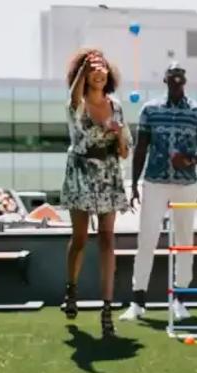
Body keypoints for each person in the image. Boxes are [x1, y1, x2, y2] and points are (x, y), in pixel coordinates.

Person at [121, 62, 197, 320]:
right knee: (147, 239)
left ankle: (180, 299)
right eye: (172, 77)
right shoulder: (150, 110)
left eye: (180, 78)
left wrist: (190, 160)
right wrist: (134, 184)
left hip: (186, 184)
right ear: (165, 80)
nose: (176, 82)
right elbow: (141, 148)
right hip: (155, 182)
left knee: (184, 241)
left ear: (185, 81)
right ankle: (138, 301)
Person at [60, 48, 132, 337]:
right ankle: (71, 290)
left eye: (102, 66)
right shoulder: (77, 103)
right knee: (80, 239)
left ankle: (107, 309)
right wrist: (83, 69)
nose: (98, 71)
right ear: (83, 74)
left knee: (107, 239)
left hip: (108, 174)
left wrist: (118, 135)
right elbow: (73, 100)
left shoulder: (117, 107)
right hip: (80, 171)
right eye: (91, 68)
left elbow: (124, 151)